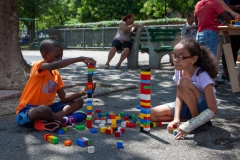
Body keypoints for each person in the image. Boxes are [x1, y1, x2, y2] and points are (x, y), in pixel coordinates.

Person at [15, 39, 97, 132]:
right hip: (27, 112)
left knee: (78, 101)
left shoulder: (56, 74)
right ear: (44, 55)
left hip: (49, 109)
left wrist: (83, 92)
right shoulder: (38, 66)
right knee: (43, 109)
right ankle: (64, 120)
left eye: (61, 56)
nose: (60, 60)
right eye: (57, 56)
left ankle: (47, 121)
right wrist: (81, 58)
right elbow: (53, 65)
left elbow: (64, 98)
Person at [150, 38, 218, 140]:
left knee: (183, 82)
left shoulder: (202, 76)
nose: (176, 60)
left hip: (203, 109)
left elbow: (213, 109)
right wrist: (176, 119)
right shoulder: (179, 70)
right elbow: (179, 96)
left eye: (181, 56)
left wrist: (191, 125)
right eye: (174, 56)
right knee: (151, 114)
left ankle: (195, 121)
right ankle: (193, 120)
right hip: (187, 105)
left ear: (194, 59)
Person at [194, 0, 232, 85]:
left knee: (200, 58)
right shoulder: (215, 2)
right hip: (211, 33)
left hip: (200, 34)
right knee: (210, 60)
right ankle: (209, 83)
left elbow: (197, 22)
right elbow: (227, 18)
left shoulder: (198, 4)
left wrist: (212, 20)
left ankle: (198, 81)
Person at [221, 0, 240, 81]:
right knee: (228, 47)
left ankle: (231, 72)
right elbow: (223, 5)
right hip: (231, 23)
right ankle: (226, 72)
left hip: (237, 25)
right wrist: (235, 8)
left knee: (235, 48)